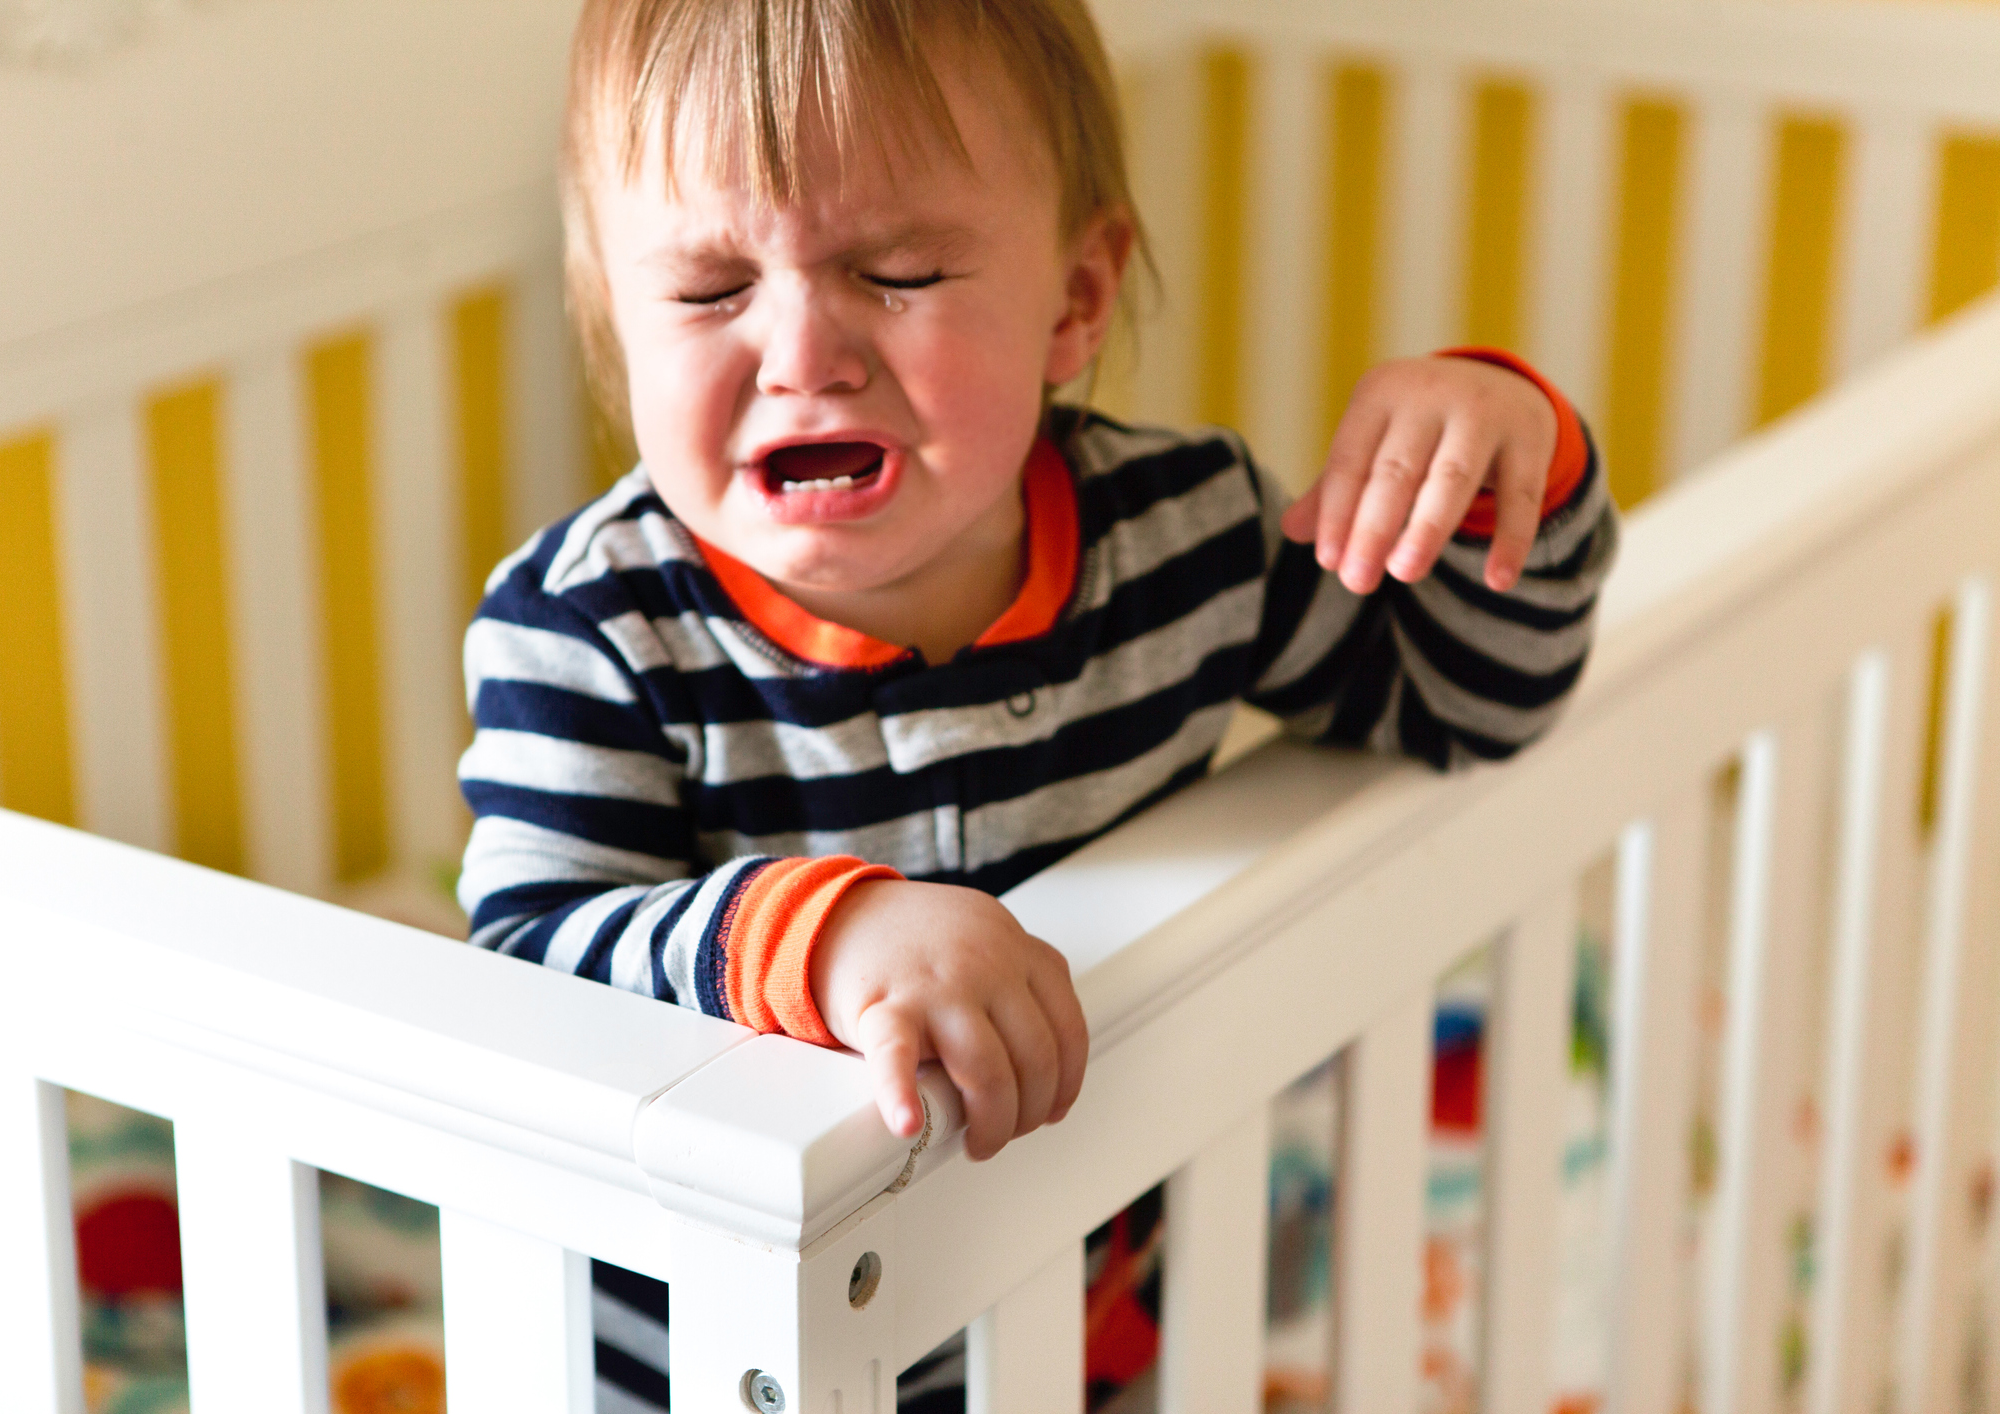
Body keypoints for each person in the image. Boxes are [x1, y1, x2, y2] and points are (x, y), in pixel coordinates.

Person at [456, 0, 1618, 1408]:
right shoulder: (588, 625)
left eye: (898, 269)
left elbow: (1471, 704)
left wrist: (1514, 452)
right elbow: (525, 967)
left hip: (1091, 1325)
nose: (802, 350)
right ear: (615, 319)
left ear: (1074, 298)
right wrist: (819, 938)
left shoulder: (1183, 538)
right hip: (690, 1358)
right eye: (707, 293)